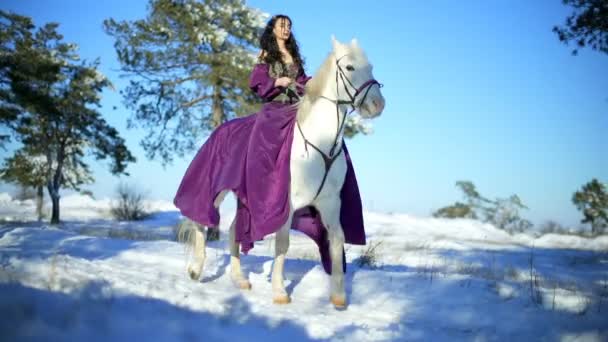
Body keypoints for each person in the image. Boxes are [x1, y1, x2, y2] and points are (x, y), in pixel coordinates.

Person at [174, 15, 365, 274]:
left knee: (331, 144)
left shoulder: (294, 56)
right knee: (268, 141)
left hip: (294, 109)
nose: (286, 28)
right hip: (274, 111)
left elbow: (305, 82)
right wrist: (277, 82)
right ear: (272, 29)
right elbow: (257, 80)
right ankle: (209, 241)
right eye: (281, 24)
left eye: (288, 25)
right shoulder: (266, 54)